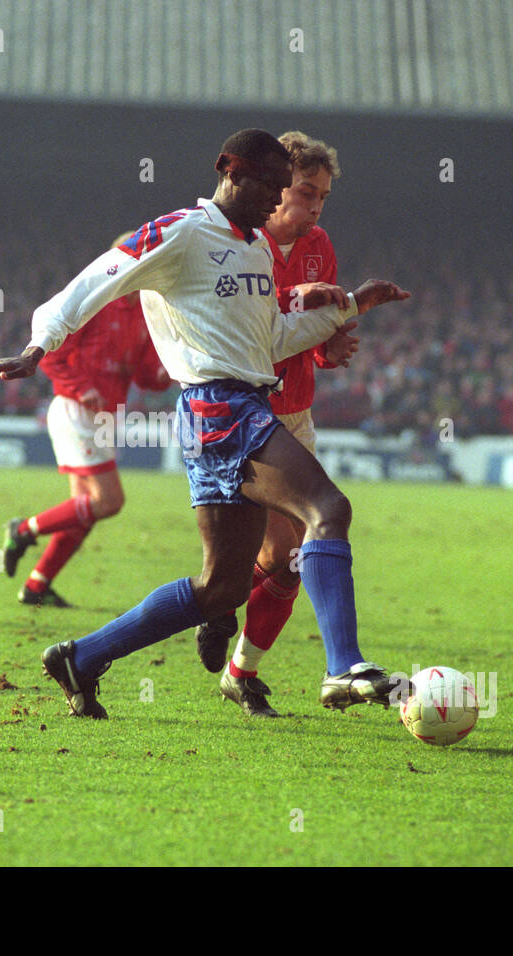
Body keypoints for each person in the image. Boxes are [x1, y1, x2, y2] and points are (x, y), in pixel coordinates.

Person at [0, 128, 410, 719]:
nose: (278, 202)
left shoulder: (252, 247)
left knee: (221, 589)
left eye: (288, 190)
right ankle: (343, 667)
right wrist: (34, 349)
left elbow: (273, 339)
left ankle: (81, 657)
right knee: (326, 511)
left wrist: (353, 306)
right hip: (219, 409)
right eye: (273, 187)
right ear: (232, 171)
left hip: (234, 408)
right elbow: (95, 280)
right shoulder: (180, 231)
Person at [193, 130, 358, 718]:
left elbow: (314, 337)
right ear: (276, 188)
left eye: (322, 198)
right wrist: (296, 297)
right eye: (306, 194)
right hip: (243, 412)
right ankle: (222, 606)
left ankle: (241, 667)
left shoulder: (320, 245)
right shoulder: (238, 239)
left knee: (288, 558)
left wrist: (329, 349)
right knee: (287, 541)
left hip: (295, 411)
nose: (314, 208)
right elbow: (246, 314)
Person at [0, 234, 172, 606]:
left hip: (104, 418)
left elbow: (144, 373)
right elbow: (49, 355)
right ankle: (24, 530)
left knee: (84, 512)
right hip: (75, 411)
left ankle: (37, 586)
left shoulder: (144, 312)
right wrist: (82, 389)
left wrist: (167, 373)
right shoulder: (95, 306)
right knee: (109, 500)